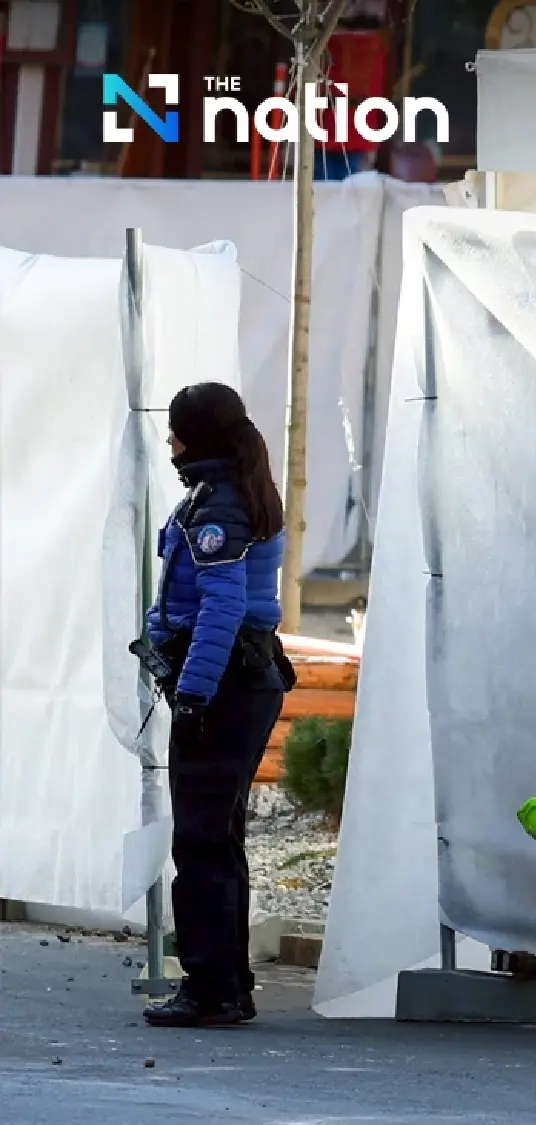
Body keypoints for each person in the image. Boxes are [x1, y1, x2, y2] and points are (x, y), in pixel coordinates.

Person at [141, 383, 292, 1028]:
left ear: (196, 436)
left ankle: (210, 990)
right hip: (241, 679)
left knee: (201, 843)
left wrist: (194, 695)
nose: (170, 443)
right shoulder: (228, 491)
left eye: (176, 432)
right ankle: (228, 984)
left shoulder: (218, 505)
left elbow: (222, 607)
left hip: (225, 685)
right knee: (219, 838)